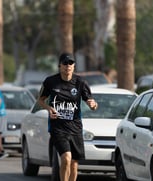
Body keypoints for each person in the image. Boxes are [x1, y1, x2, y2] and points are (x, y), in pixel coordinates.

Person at [38, 52, 98, 181]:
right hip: (57, 127)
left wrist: (93, 105)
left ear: (74, 66)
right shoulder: (50, 82)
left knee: (74, 164)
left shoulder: (80, 82)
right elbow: (40, 100)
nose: (68, 66)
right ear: (59, 66)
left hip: (75, 127)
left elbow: (91, 102)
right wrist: (49, 108)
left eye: (70, 63)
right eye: (65, 63)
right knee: (66, 157)